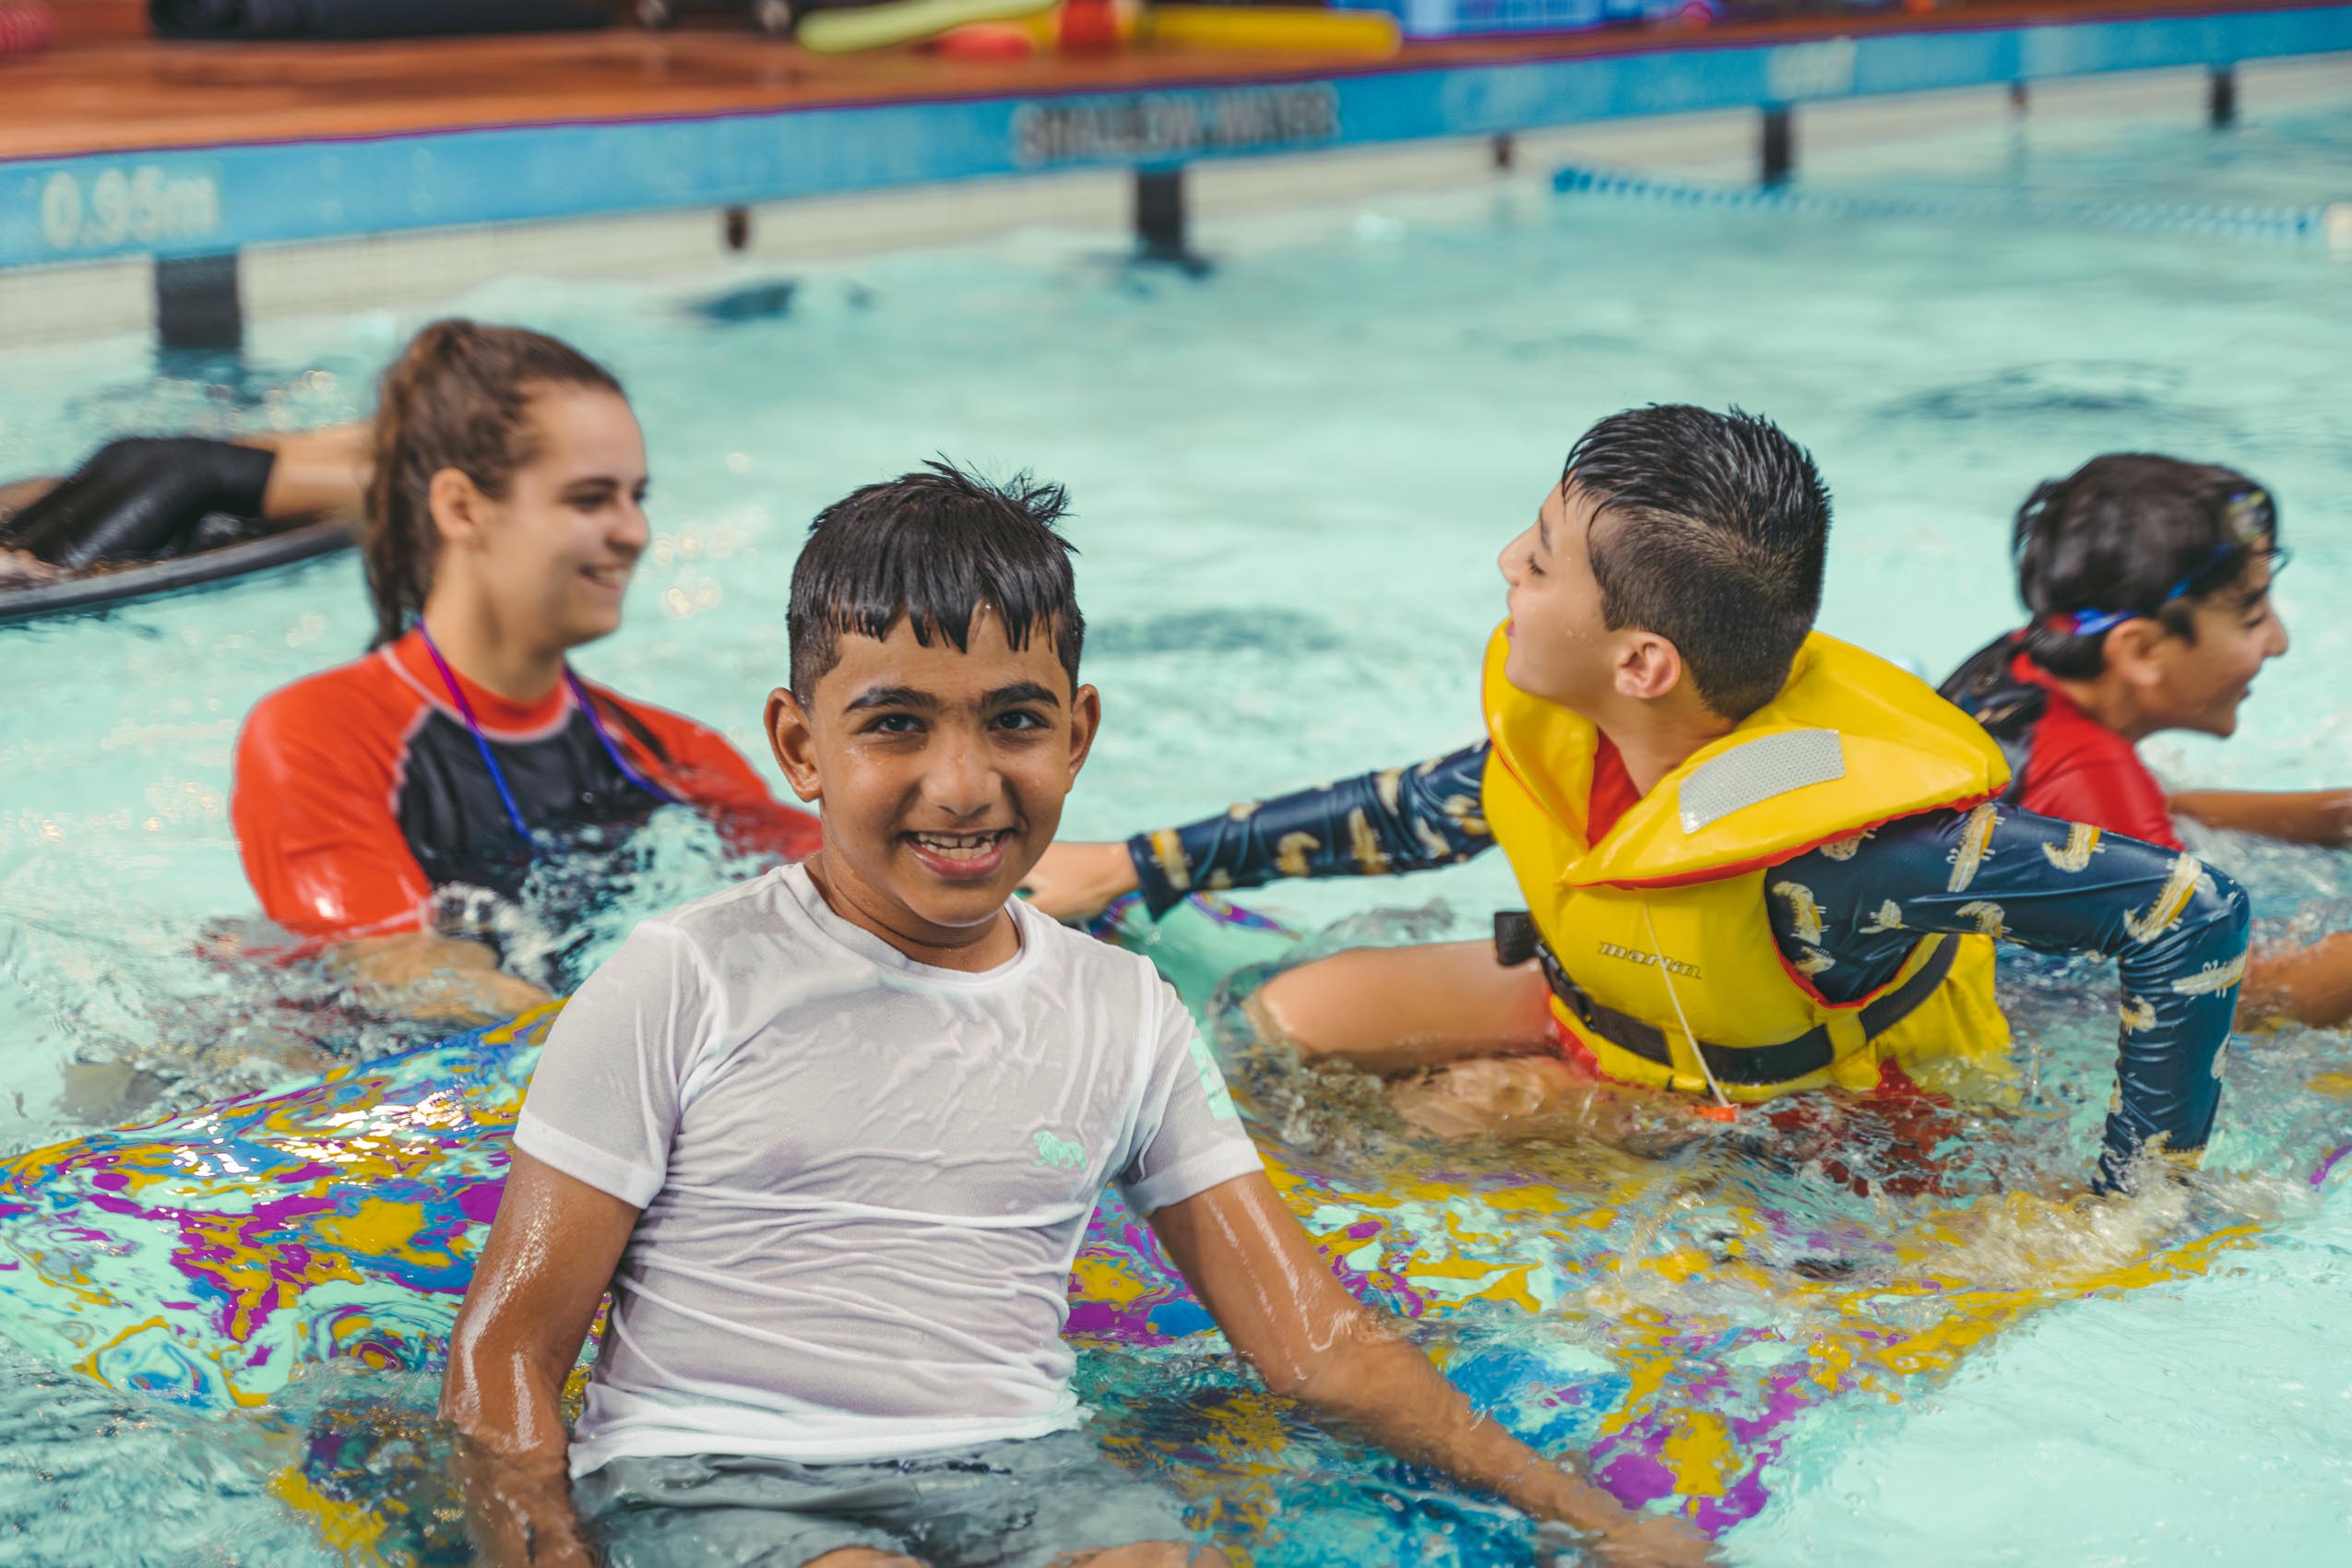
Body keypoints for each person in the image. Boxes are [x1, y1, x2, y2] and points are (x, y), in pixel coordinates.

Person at [438, 461, 1716, 1568]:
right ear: (799, 744)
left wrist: (1583, 1517)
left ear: (1079, 730)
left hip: (1021, 1473)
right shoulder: (687, 977)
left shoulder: (1120, 1007)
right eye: (894, 725)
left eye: (1014, 722)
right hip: (707, 1472)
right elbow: (506, 1357)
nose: (964, 784)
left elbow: (1315, 1344)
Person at [1024, 406, 2251, 1194]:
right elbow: (1413, 812)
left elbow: (2185, 914)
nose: (1507, 561)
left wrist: (2127, 1205)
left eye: (1541, 559)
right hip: (1613, 1004)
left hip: (1806, 1107)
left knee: (1439, 1129)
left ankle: (1650, 1137)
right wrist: (1136, 864)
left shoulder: (1844, 862)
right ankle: (1598, 1104)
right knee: (1273, 1026)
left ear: (1642, 662)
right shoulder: (1587, 724)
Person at [229, 321, 820, 1022]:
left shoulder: (667, 754)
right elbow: (408, 977)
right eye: (590, 498)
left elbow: (840, 886)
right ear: (461, 507)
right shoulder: (320, 736)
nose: (634, 531)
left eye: (638, 497)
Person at [1938, 454, 2352, 1027]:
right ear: (2142, 652)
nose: (2278, 642)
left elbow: (2150, 818)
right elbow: (2232, 994)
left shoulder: (2019, 665)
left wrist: (2339, 817)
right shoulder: (2090, 778)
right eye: (2252, 617)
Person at [0, 422, 371, 585]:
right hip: (35, 568)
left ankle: (400, 427)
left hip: (14, 542)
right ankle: (411, 480)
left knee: (130, 457)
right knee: (186, 468)